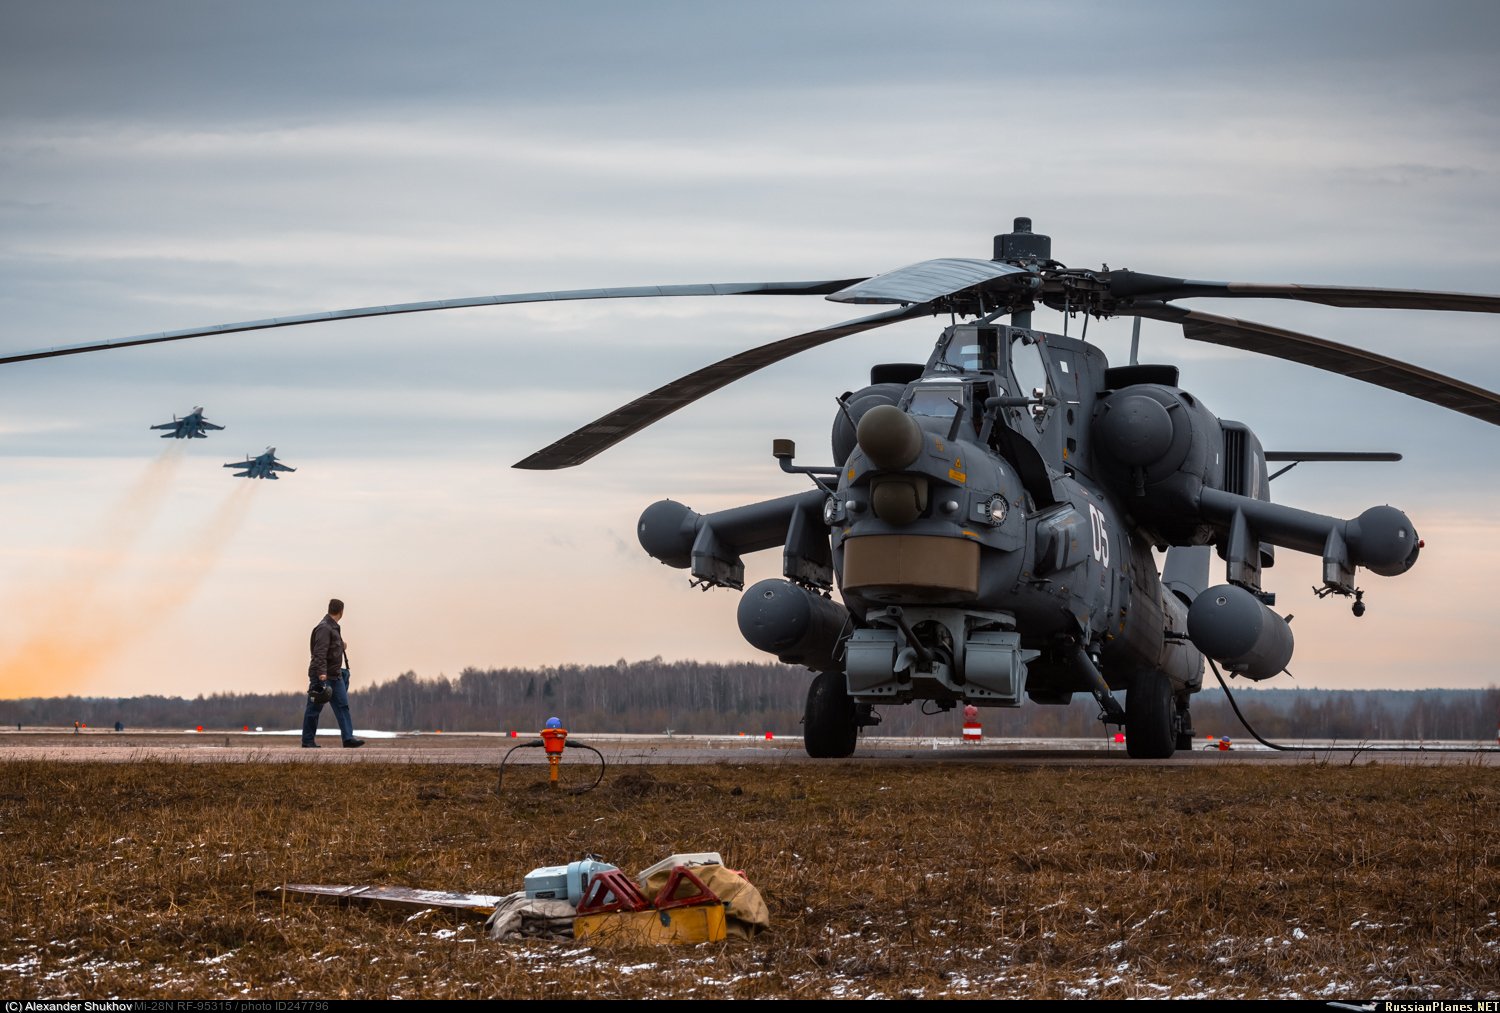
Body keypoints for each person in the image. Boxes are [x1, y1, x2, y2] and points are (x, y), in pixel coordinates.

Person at [301, 598, 363, 749]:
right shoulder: (324, 628)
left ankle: (348, 738)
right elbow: (319, 653)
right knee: (314, 709)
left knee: (343, 706)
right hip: (323, 676)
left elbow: (329, 647)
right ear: (341, 611)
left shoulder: (332, 628)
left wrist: (341, 645)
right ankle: (307, 741)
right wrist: (321, 674)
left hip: (336, 676)